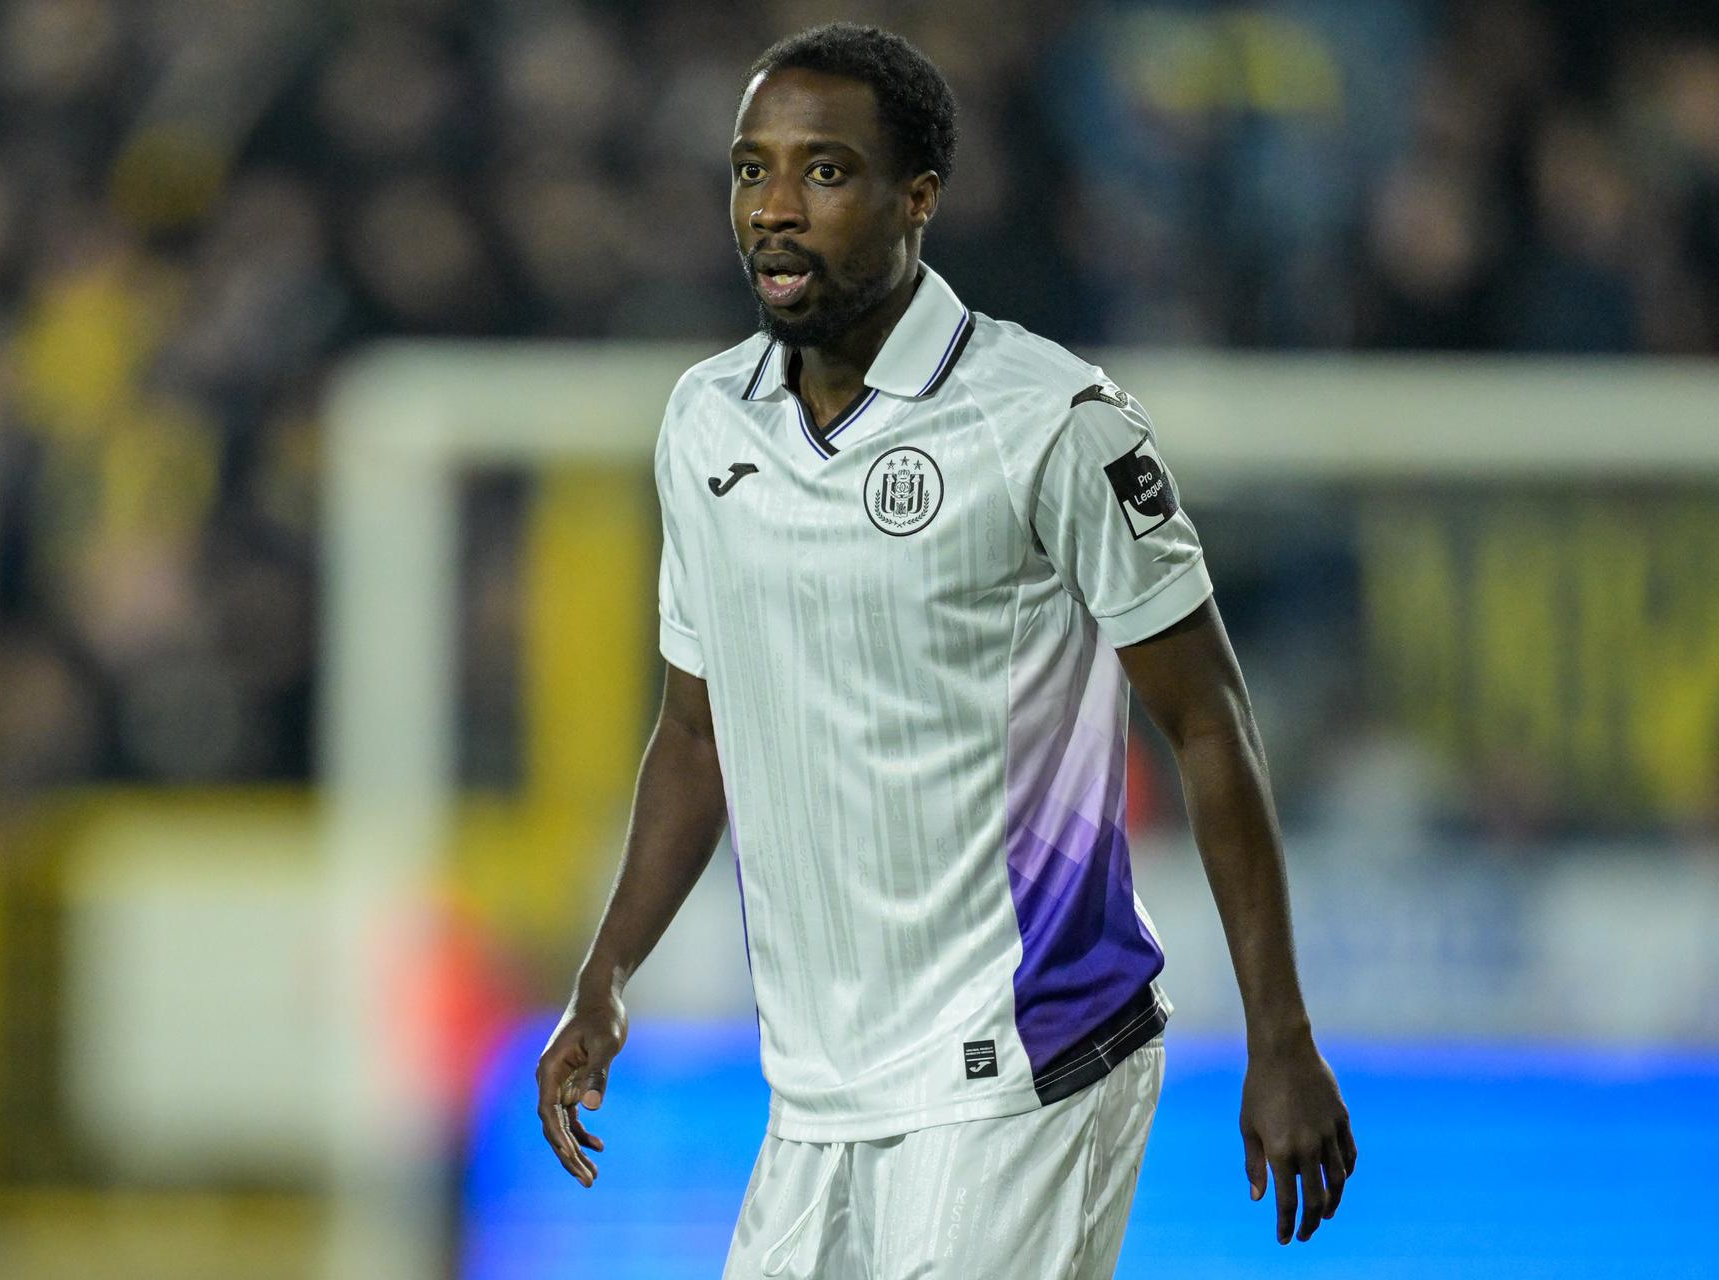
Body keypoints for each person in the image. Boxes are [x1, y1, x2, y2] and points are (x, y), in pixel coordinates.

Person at [535, 22, 1355, 1278]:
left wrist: (1281, 1035)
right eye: (752, 170)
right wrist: (604, 976)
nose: (773, 208)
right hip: (817, 1086)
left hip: (1027, 1053)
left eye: (824, 171)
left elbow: (1208, 719)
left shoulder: (1046, 421)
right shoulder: (706, 421)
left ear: (918, 198)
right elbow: (698, 733)